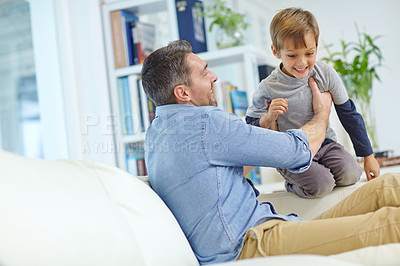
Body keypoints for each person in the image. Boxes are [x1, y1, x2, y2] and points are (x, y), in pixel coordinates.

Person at [141, 40, 400, 265]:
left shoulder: (156, 135)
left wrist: (259, 136)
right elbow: (298, 152)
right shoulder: (206, 123)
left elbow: (219, 174)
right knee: (390, 222)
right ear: (183, 92)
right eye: (204, 73)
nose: (214, 77)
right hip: (252, 245)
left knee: (385, 187)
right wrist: (322, 113)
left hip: (267, 229)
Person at [245, 8, 380, 198]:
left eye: (309, 53)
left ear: (316, 46)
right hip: (291, 153)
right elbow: (249, 127)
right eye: (292, 55)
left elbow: (349, 113)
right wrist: (267, 117)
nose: (302, 63)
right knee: (322, 185)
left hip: (325, 144)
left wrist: (369, 156)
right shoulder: (267, 88)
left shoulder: (325, 74)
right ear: (276, 51)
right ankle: (292, 184)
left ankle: (317, 173)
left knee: (352, 174)